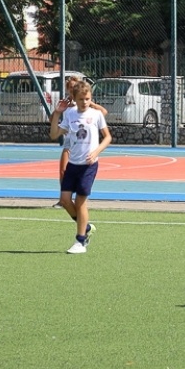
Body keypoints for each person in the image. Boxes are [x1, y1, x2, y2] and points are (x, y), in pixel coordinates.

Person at [49, 79, 111, 254]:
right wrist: (56, 114)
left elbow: (107, 137)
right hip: (73, 164)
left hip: (88, 165)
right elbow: (54, 134)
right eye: (81, 99)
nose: (85, 102)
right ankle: (85, 227)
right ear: (74, 99)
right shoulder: (69, 114)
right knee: (65, 200)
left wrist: (96, 151)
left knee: (82, 201)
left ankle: (80, 241)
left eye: (88, 99)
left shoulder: (96, 115)